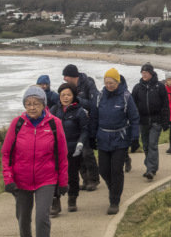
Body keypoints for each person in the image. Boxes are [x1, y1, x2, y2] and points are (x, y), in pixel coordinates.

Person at [1, 86, 68, 237]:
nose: (32, 107)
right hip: (20, 179)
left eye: (36, 103)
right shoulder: (17, 124)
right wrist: (8, 178)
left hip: (46, 178)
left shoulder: (55, 124)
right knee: (22, 218)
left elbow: (62, 155)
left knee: (42, 219)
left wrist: (63, 182)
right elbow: (6, 153)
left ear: (43, 105)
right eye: (28, 104)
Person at [90, 68, 140, 214]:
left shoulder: (126, 97)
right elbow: (94, 119)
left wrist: (135, 138)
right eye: (106, 82)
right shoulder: (99, 97)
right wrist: (92, 137)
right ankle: (114, 189)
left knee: (116, 170)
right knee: (104, 170)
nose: (109, 85)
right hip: (103, 138)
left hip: (121, 139)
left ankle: (114, 201)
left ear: (117, 82)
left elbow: (134, 119)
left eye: (112, 82)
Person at [49, 82, 89, 213]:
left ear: (74, 96)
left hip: (72, 149)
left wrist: (80, 143)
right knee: (53, 176)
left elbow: (84, 130)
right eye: (63, 95)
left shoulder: (80, 111)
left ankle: (72, 199)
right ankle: (55, 203)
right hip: (55, 150)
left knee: (72, 176)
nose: (65, 97)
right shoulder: (54, 110)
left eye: (68, 95)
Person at [62, 64, 100, 191]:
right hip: (74, 124)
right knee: (77, 154)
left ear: (72, 75)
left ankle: (94, 180)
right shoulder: (69, 87)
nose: (64, 79)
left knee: (87, 153)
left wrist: (78, 100)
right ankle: (85, 180)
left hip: (88, 123)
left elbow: (94, 104)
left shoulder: (88, 84)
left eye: (65, 76)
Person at [131, 63, 170, 180]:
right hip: (143, 121)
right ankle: (150, 166)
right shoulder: (137, 87)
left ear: (151, 74)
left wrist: (165, 121)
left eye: (146, 73)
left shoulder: (160, 86)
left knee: (153, 145)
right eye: (142, 73)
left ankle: (151, 169)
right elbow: (132, 104)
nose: (144, 75)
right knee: (146, 146)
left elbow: (165, 105)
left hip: (156, 121)